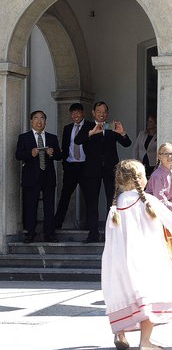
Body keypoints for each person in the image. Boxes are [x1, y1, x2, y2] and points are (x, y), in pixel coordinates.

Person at [102, 159, 172, 350]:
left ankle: (120, 334)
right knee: (148, 295)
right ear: (140, 179)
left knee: (123, 295)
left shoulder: (115, 205)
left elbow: (110, 237)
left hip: (118, 261)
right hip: (145, 257)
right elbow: (171, 221)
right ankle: (145, 341)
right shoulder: (147, 200)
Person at [74, 101, 132, 243]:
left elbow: (127, 143)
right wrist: (91, 133)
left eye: (104, 111)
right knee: (91, 202)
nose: (102, 114)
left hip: (110, 170)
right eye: (99, 111)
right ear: (93, 112)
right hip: (92, 170)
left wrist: (122, 133)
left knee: (112, 202)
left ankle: (111, 234)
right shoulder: (87, 126)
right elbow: (77, 140)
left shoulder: (111, 127)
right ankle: (93, 234)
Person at [15, 110, 62, 243]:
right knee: (31, 205)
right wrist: (31, 153)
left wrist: (52, 153)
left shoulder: (52, 137)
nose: (39, 121)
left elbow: (59, 156)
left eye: (42, 118)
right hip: (31, 177)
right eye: (36, 118)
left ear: (45, 122)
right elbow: (18, 155)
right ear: (31, 121)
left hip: (48, 176)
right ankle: (30, 233)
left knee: (49, 206)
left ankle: (49, 234)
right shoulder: (24, 137)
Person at [53, 103, 88, 229]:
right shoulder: (67, 128)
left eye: (78, 112)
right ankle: (57, 224)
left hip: (85, 166)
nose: (75, 115)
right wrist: (64, 162)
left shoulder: (90, 126)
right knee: (65, 196)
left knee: (89, 196)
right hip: (71, 166)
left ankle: (89, 225)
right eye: (73, 113)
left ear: (83, 113)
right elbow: (65, 147)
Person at [134, 114, 158, 178]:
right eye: (148, 121)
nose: (148, 123)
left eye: (150, 121)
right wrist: (135, 161)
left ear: (155, 124)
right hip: (141, 161)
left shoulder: (158, 136)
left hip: (152, 163)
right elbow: (135, 148)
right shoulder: (142, 134)